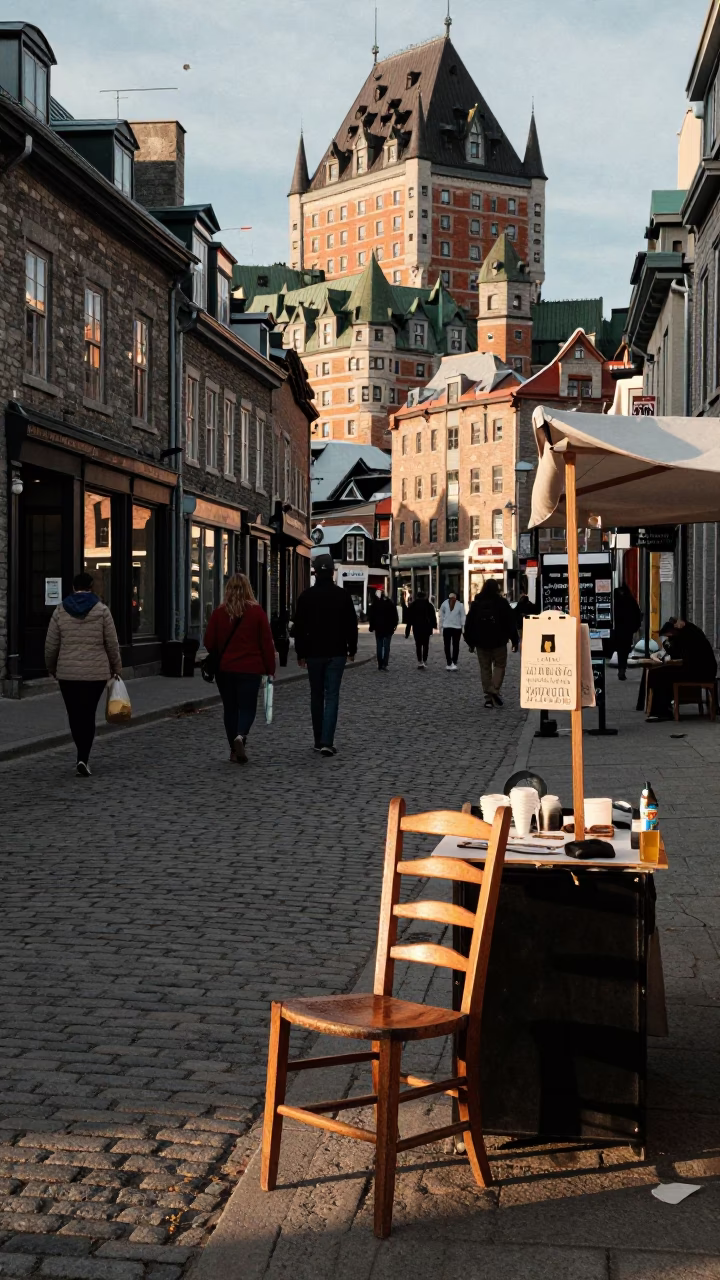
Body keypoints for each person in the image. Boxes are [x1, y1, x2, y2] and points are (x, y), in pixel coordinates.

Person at [44, 570, 122, 777]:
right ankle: (83, 757)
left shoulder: (60, 610)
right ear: (91, 587)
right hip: (95, 674)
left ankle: (80, 752)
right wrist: (116, 667)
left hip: (67, 673)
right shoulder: (102, 610)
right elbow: (112, 643)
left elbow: (51, 645)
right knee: (88, 714)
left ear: (73, 587)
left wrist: (51, 667)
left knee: (74, 714)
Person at [204, 573, 275, 764]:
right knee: (247, 707)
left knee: (230, 709)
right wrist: (270, 669)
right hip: (250, 669)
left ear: (228, 590)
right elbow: (266, 644)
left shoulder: (219, 613)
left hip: (225, 670)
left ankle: (233, 751)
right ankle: (241, 736)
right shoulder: (257, 612)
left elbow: (208, 642)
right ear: (248, 589)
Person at [293, 553, 358, 755]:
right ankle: (327, 741)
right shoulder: (342, 595)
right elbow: (351, 625)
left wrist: (300, 653)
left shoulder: (306, 597)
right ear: (332, 572)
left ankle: (317, 739)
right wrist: (352, 649)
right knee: (332, 696)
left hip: (313, 653)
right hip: (336, 652)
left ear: (315, 572)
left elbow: (299, 628)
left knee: (316, 695)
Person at [646, 617, 717, 721]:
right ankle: (661, 709)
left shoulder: (686, 635)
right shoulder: (690, 631)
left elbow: (676, 653)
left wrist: (667, 644)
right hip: (702, 670)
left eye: (669, 635)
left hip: (699, 672)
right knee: (658, 673)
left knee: (659, 674)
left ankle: (662, 711)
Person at [463, 578, 519, 708]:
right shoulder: (502, 603)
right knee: (500, 665)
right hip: (499, 641)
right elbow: (510, 623)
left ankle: (488, 698)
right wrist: (514, 640)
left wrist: (470, 642)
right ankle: (494, 688)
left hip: (481, 642)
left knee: (485, 668)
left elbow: (469, 623)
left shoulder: (477, 603)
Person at [609, 584, 642, 680]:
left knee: (620, 651)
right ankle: (622, 669)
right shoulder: (631, 601)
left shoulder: (617, 602)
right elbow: (637, 615)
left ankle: (621, 669)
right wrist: (634, 628)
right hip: (627, 631)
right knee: (625, 651)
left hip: (619, 631)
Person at [404, 590, 437, 669]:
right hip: (426, 627)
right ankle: (424, 660)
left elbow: (409, 619)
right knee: (426, 644)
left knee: (418, 645)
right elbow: (433, 617)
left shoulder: (413, 605)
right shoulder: (429, 605)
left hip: (417, 627)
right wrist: (434, 625)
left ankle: (420, 661)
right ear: (425, 596)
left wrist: (407, 631)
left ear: (417, 596)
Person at [367, 589, 399, 671]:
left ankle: (380, 664)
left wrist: (372, 626)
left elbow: (371, 617)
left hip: (379, 628)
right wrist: (394, 625)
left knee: (379, 646)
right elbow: (395, 615)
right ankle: (385, 663)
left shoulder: (375, 604)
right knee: (387, 647)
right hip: (388, 628)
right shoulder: (390, 603)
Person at [439, 592, 466, 671]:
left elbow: (462, 616)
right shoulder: (444, 604)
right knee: (447, 645)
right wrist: (441, 626)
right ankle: (449, 662)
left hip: (457, 627)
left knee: (455, 645)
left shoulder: (460, 605)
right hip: (447, 626)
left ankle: (454, 661)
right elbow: (441, 615)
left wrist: (463, 626)